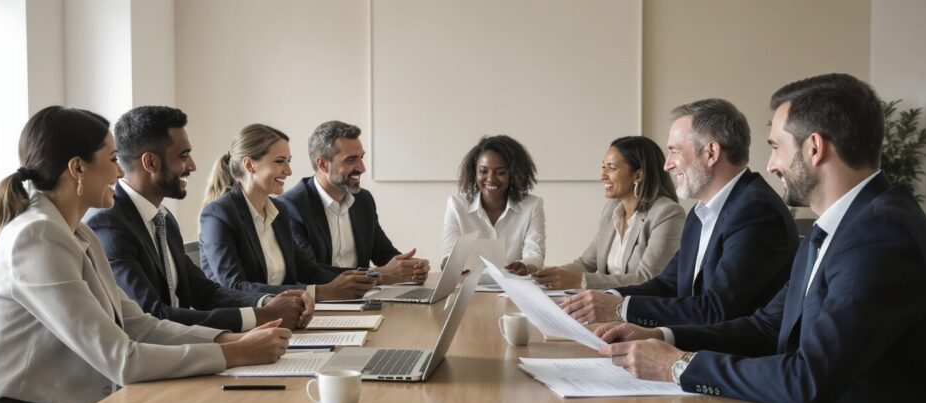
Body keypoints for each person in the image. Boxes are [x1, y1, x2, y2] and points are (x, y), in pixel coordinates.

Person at [596, 73, 926, 403]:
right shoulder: (844, 224)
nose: (771, 165)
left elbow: (806, 379)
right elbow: (767, 326)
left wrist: (680, 366)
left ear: (814, 148)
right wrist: (664, 338)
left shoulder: (881, 236)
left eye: (777, 147)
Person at [0, 106, 289, 403]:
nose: (120, 173)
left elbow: (139, 325)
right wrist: (233, 352)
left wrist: (231, 339)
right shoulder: (36, 237)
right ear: (77, 168)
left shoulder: (79, 233)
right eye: (111, 160)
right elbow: (122, 358)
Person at [560, 99, 797, 327]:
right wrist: (610, 298)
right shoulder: (700, 212)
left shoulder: (756, 212)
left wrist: (620, 309)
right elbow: (668, 284)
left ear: (711, 153)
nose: (667, 165)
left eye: (674, 151)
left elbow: (718, 310)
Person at [85, 106, 311, 333]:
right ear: (151, 163)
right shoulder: (108, 224)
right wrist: (259, 316)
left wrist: (268, 302)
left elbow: (206, 293)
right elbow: (153, 315)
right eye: (183, 156)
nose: (192, 165)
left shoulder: (163, 218)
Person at [199, 124, 376, 301]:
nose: (289, 171)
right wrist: (321, 292)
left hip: (284, 314)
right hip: (244, 323)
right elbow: (235, 286)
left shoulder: (279, 211)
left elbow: (308, 271)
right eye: (279, 161)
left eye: (288, 161)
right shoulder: (218, 214)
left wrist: (368, 277)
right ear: (249, 164)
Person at [513, 136, 684, 290]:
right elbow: (587, 263)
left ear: (637, 175)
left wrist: (580, 281)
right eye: (603, 167)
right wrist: (537, 274)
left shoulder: (667, 213)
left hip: (639, 313)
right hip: (604, 307)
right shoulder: (612, 210)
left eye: (611, 168)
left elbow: (647, 279)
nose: (602, 175)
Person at [277, 120, 430, 285]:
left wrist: (411, 268)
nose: (362, 168)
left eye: (361, 158)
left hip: (364, 298)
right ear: (323, 164)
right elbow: (311, 271)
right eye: (351, 160)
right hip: (324, 303)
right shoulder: (291, 206)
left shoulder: (363, 200)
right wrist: (377, 275)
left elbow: (383, 254)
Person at [442, 135, 545, 271]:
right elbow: (448, 254)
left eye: (500, 172)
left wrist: (525, 267)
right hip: (467, 286)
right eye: (483, 171)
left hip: (513, 287)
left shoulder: (532, 206)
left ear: (513, 174)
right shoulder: (456, 205)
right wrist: (451, 265)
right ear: (474, 172)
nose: (490, 179)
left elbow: (535, 256)